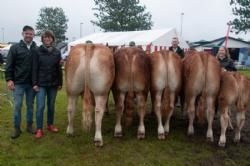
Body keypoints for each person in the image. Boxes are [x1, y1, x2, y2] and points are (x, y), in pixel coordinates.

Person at [5, 25, 37, 139]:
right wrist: (9, 79)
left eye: (31, 33)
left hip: (31, 84)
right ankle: (16, 128)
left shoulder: (35, 48)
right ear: (23, 34)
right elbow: (9, 65)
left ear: (33, 35)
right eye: (26, 33)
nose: (28, 35)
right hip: (18, 83)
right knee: (17, 106)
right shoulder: (15, 48)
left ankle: (29, 125)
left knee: (30, 106)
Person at [32, 30, 62, 138]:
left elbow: (59, 69)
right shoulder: (37, 51)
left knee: (51, 106)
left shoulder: (57, 52)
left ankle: (50, 125)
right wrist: (34, 83)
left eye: (49, 37)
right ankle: (39, 129)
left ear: (52, 39)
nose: (47, 39)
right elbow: (34, 68)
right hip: (41, 84)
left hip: (53, 84)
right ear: (42, 39)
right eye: (45, 37)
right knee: (40, 106)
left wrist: (60, 83)